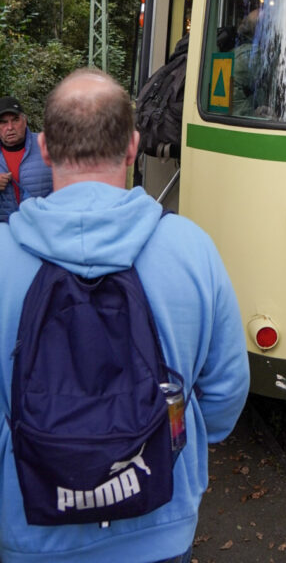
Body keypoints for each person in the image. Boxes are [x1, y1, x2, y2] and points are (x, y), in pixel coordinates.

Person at [0, 69, 250, 563]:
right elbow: (225, 393)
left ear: (45, 147)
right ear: (133, 145)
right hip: (161, 525)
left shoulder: (4, 258)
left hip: (31, 533)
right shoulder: (190, 248)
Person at [0, 95, 53, 223]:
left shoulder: (46, 145)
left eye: (15, 120)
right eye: (3, 122)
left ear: (25, 120)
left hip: (42, 228)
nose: (10, 127)